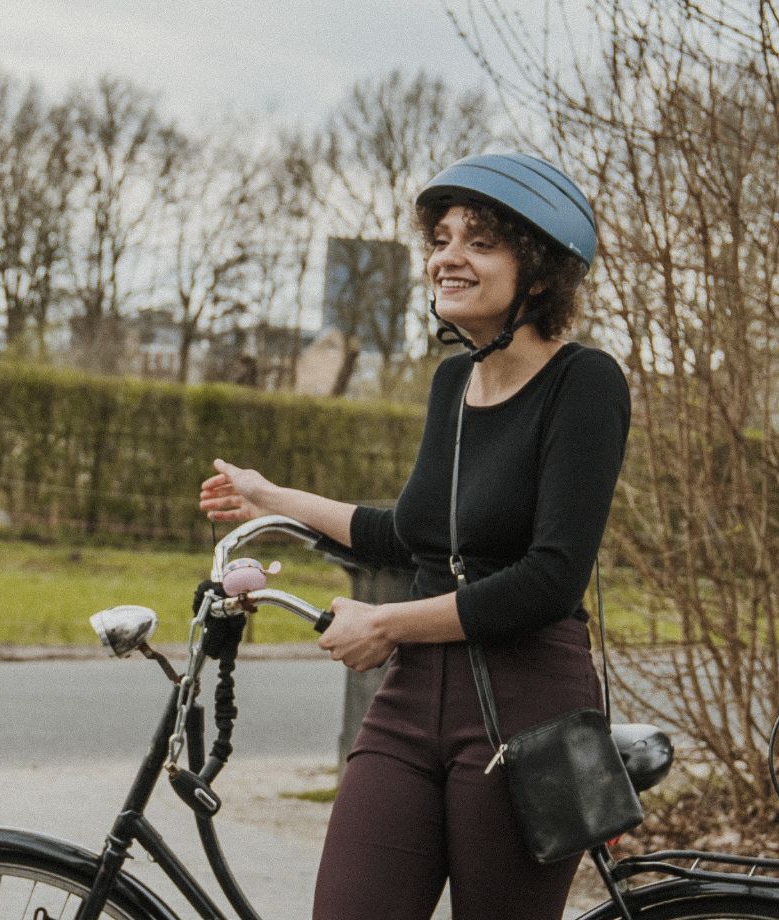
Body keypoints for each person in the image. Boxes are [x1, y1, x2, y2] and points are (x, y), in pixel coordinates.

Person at [194, 152, 629, 920]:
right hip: (410, 701)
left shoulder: (585, 383)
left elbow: (548, 579)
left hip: (526, 708)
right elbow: (409, 535)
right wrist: (272, 496)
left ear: (538, 271)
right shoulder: (451, 384)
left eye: (480, 241)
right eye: (441, 237)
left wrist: (386, 623)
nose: (447, 257)